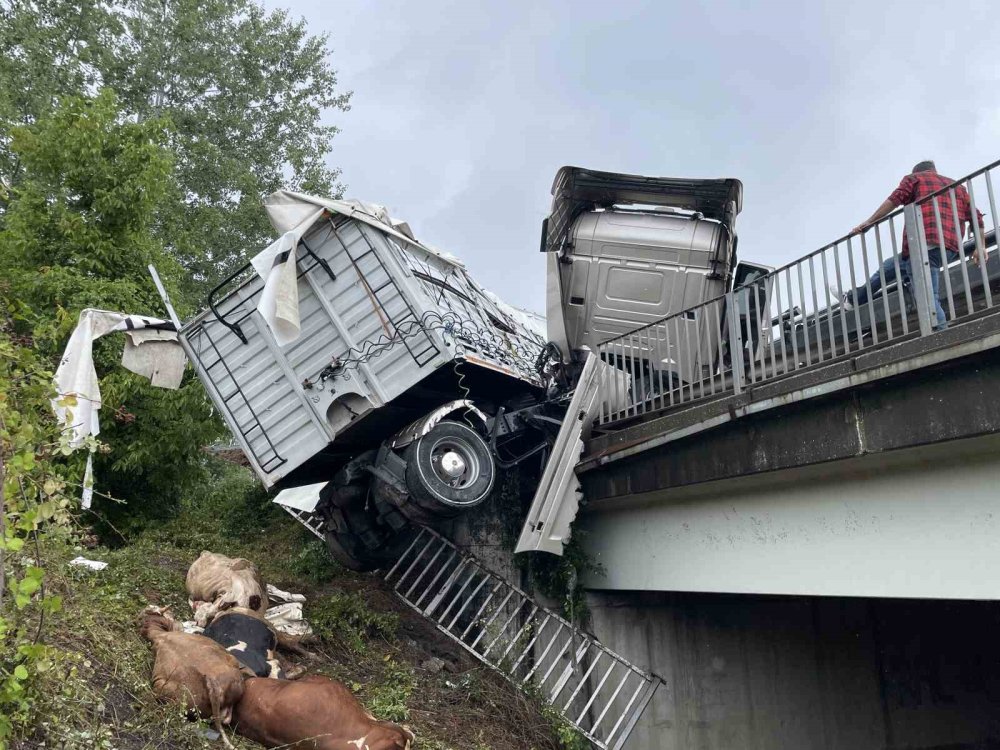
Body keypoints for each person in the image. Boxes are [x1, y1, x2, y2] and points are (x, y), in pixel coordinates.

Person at [833, 160, 985, 331]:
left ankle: (941, 333)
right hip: (948, 247)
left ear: (916, 171)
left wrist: (869, 223)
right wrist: (981, 246)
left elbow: (894, 200)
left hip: (923, 245)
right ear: (934, 170)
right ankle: (855, 299)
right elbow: (977, 218)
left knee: (927, 295)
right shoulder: (958, 187)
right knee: (889, 267)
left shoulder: (914, 179)